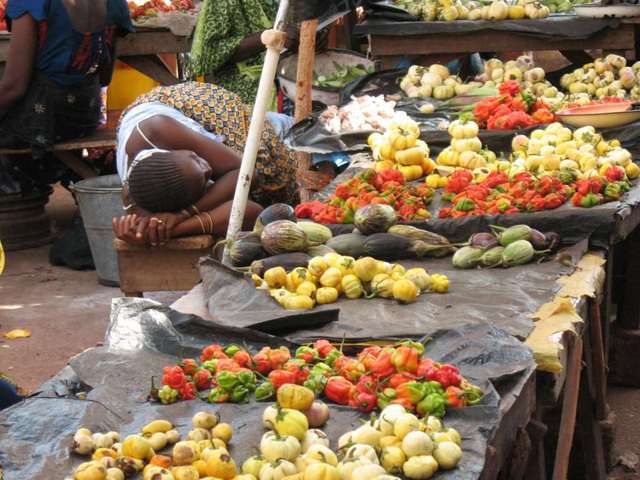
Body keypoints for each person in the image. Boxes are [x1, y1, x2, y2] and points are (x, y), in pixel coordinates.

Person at [112, 81, 299, 247]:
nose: (208, 167)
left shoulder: (157, 128)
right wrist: (163, 229)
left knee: (263, 153)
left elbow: (248, 175)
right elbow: (251, 212)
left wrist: (182, 216)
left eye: (195, 158)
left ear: (177, 150)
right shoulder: (144, 192)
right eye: (206, 178)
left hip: (184, 106)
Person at [0, 0, 133, 160]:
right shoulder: (115, 3)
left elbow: (14, 87)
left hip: (40, 123)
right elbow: (105, 76)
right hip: (85, 118)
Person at [189, 0, 296, 104]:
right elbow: (209, 55)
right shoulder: (219, 3)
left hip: (288, 84)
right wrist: (266, 38)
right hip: (245, 96)